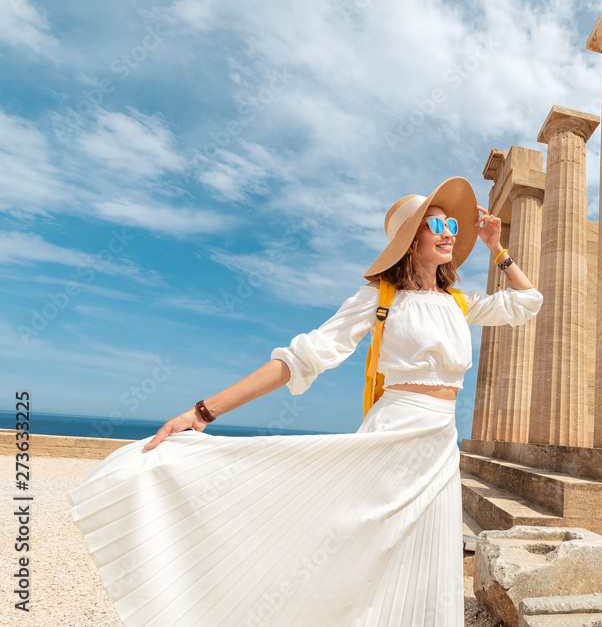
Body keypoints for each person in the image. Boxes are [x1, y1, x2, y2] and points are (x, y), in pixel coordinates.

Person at [68, 176, 543, 626]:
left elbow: (528, 302)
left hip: (440, 443)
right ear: (409, 239)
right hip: (393, 435)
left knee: (425, 560)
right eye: (436, 224)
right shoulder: (377, 298)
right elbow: (300, 359)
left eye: (452, 225)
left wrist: (496, 249)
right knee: (360, 553)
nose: (448, 233)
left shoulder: (459, 301)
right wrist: (203, 411)